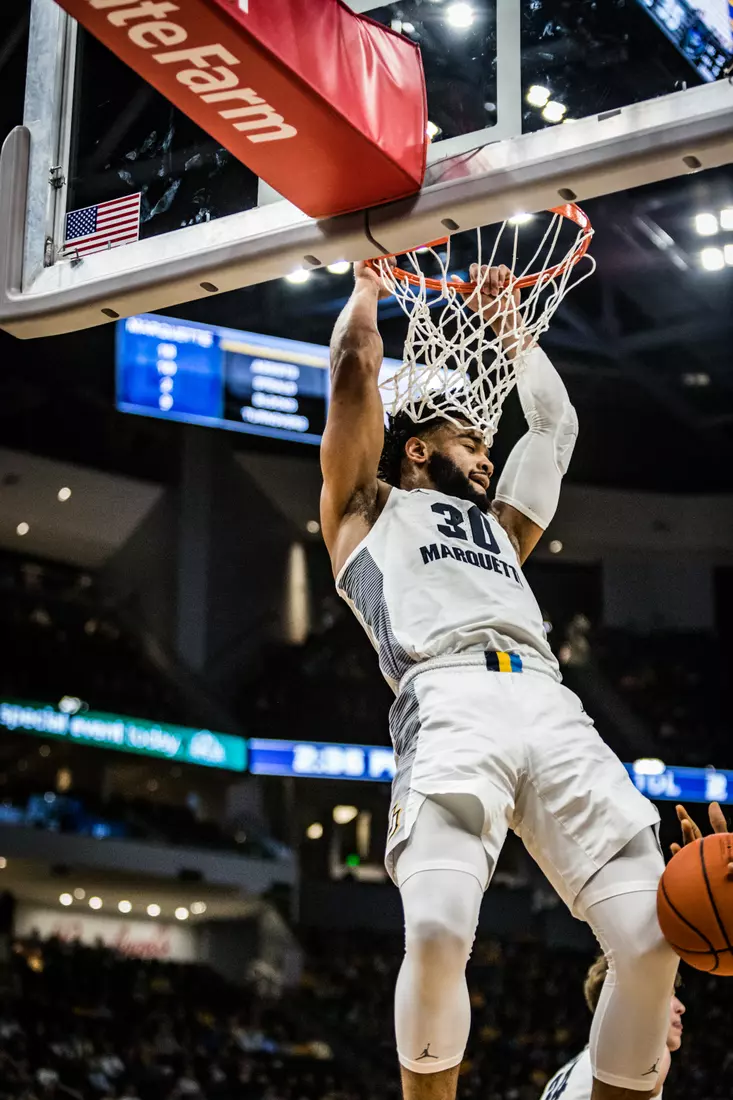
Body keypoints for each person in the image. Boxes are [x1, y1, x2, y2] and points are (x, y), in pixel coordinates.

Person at [320, 259, 681, 1100]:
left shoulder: (503, 533)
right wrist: (366, 287)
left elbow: (553, 426)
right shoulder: (366, 509)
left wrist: (512, 328)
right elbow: (353, 372)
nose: (486, 454)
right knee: (438, 930)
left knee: (649, 941)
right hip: (447, 698)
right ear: (417, 448)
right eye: (470, 442)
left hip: (551, 705)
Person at [540, 800, 732, 1100]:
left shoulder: (571, 1070)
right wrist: (700, 899)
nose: (681, 1007)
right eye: (667, 993)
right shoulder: (644, 1055)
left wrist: (695, 891)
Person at [540, 962, 685, 1100]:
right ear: (633, 1002)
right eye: (668, 993)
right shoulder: (643, 1051)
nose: (681, 1007)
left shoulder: (566, 1073)